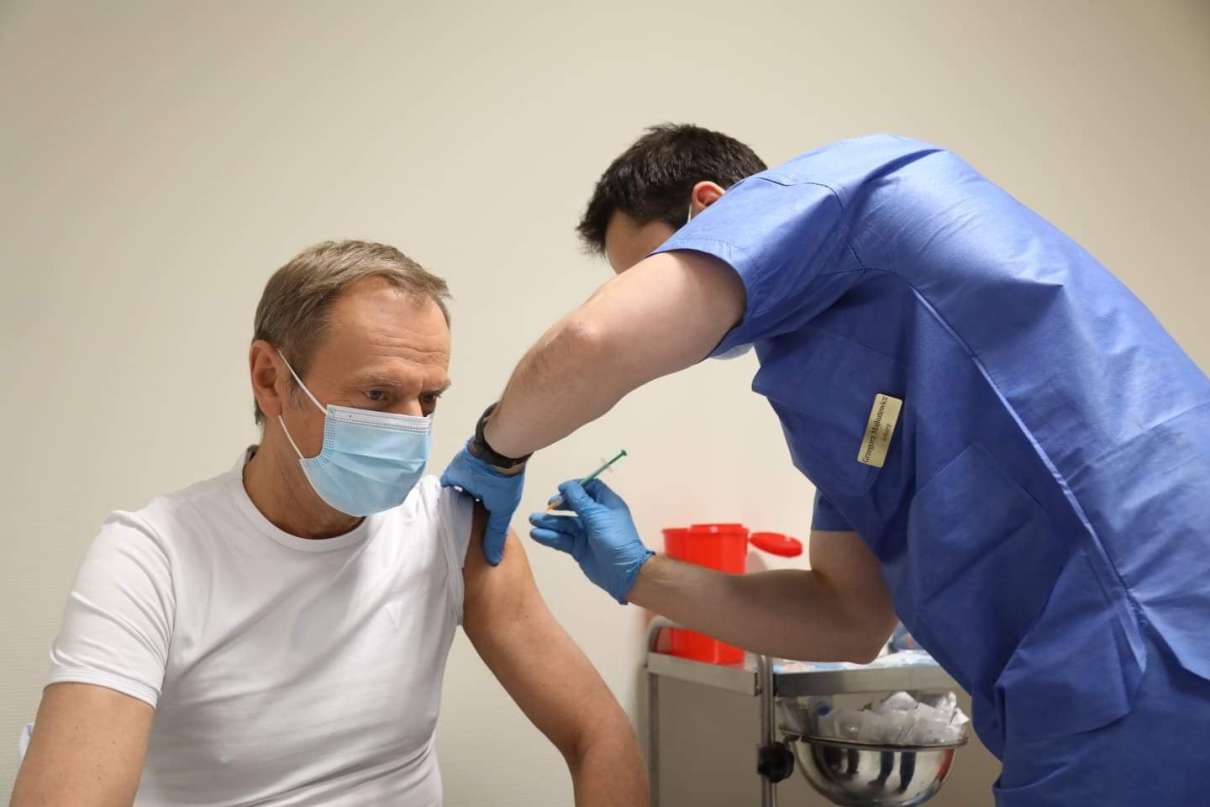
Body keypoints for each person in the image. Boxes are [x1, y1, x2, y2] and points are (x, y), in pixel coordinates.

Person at [441, 125, 1210, 804]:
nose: (643, 298)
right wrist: (637, 571)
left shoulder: (848, 191)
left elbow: (595, 341)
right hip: (1079, 683)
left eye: (646, 269)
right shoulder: (818, 377)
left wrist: (494, 451)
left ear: (713, 209)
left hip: (1157, 626)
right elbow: (848, 616)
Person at [12, 241, 647, 807]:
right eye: (378, 395)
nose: (413, 427)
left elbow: (598, 734)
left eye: (428, 398)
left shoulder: (450, 530)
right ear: (270, 380)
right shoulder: (152, 559)